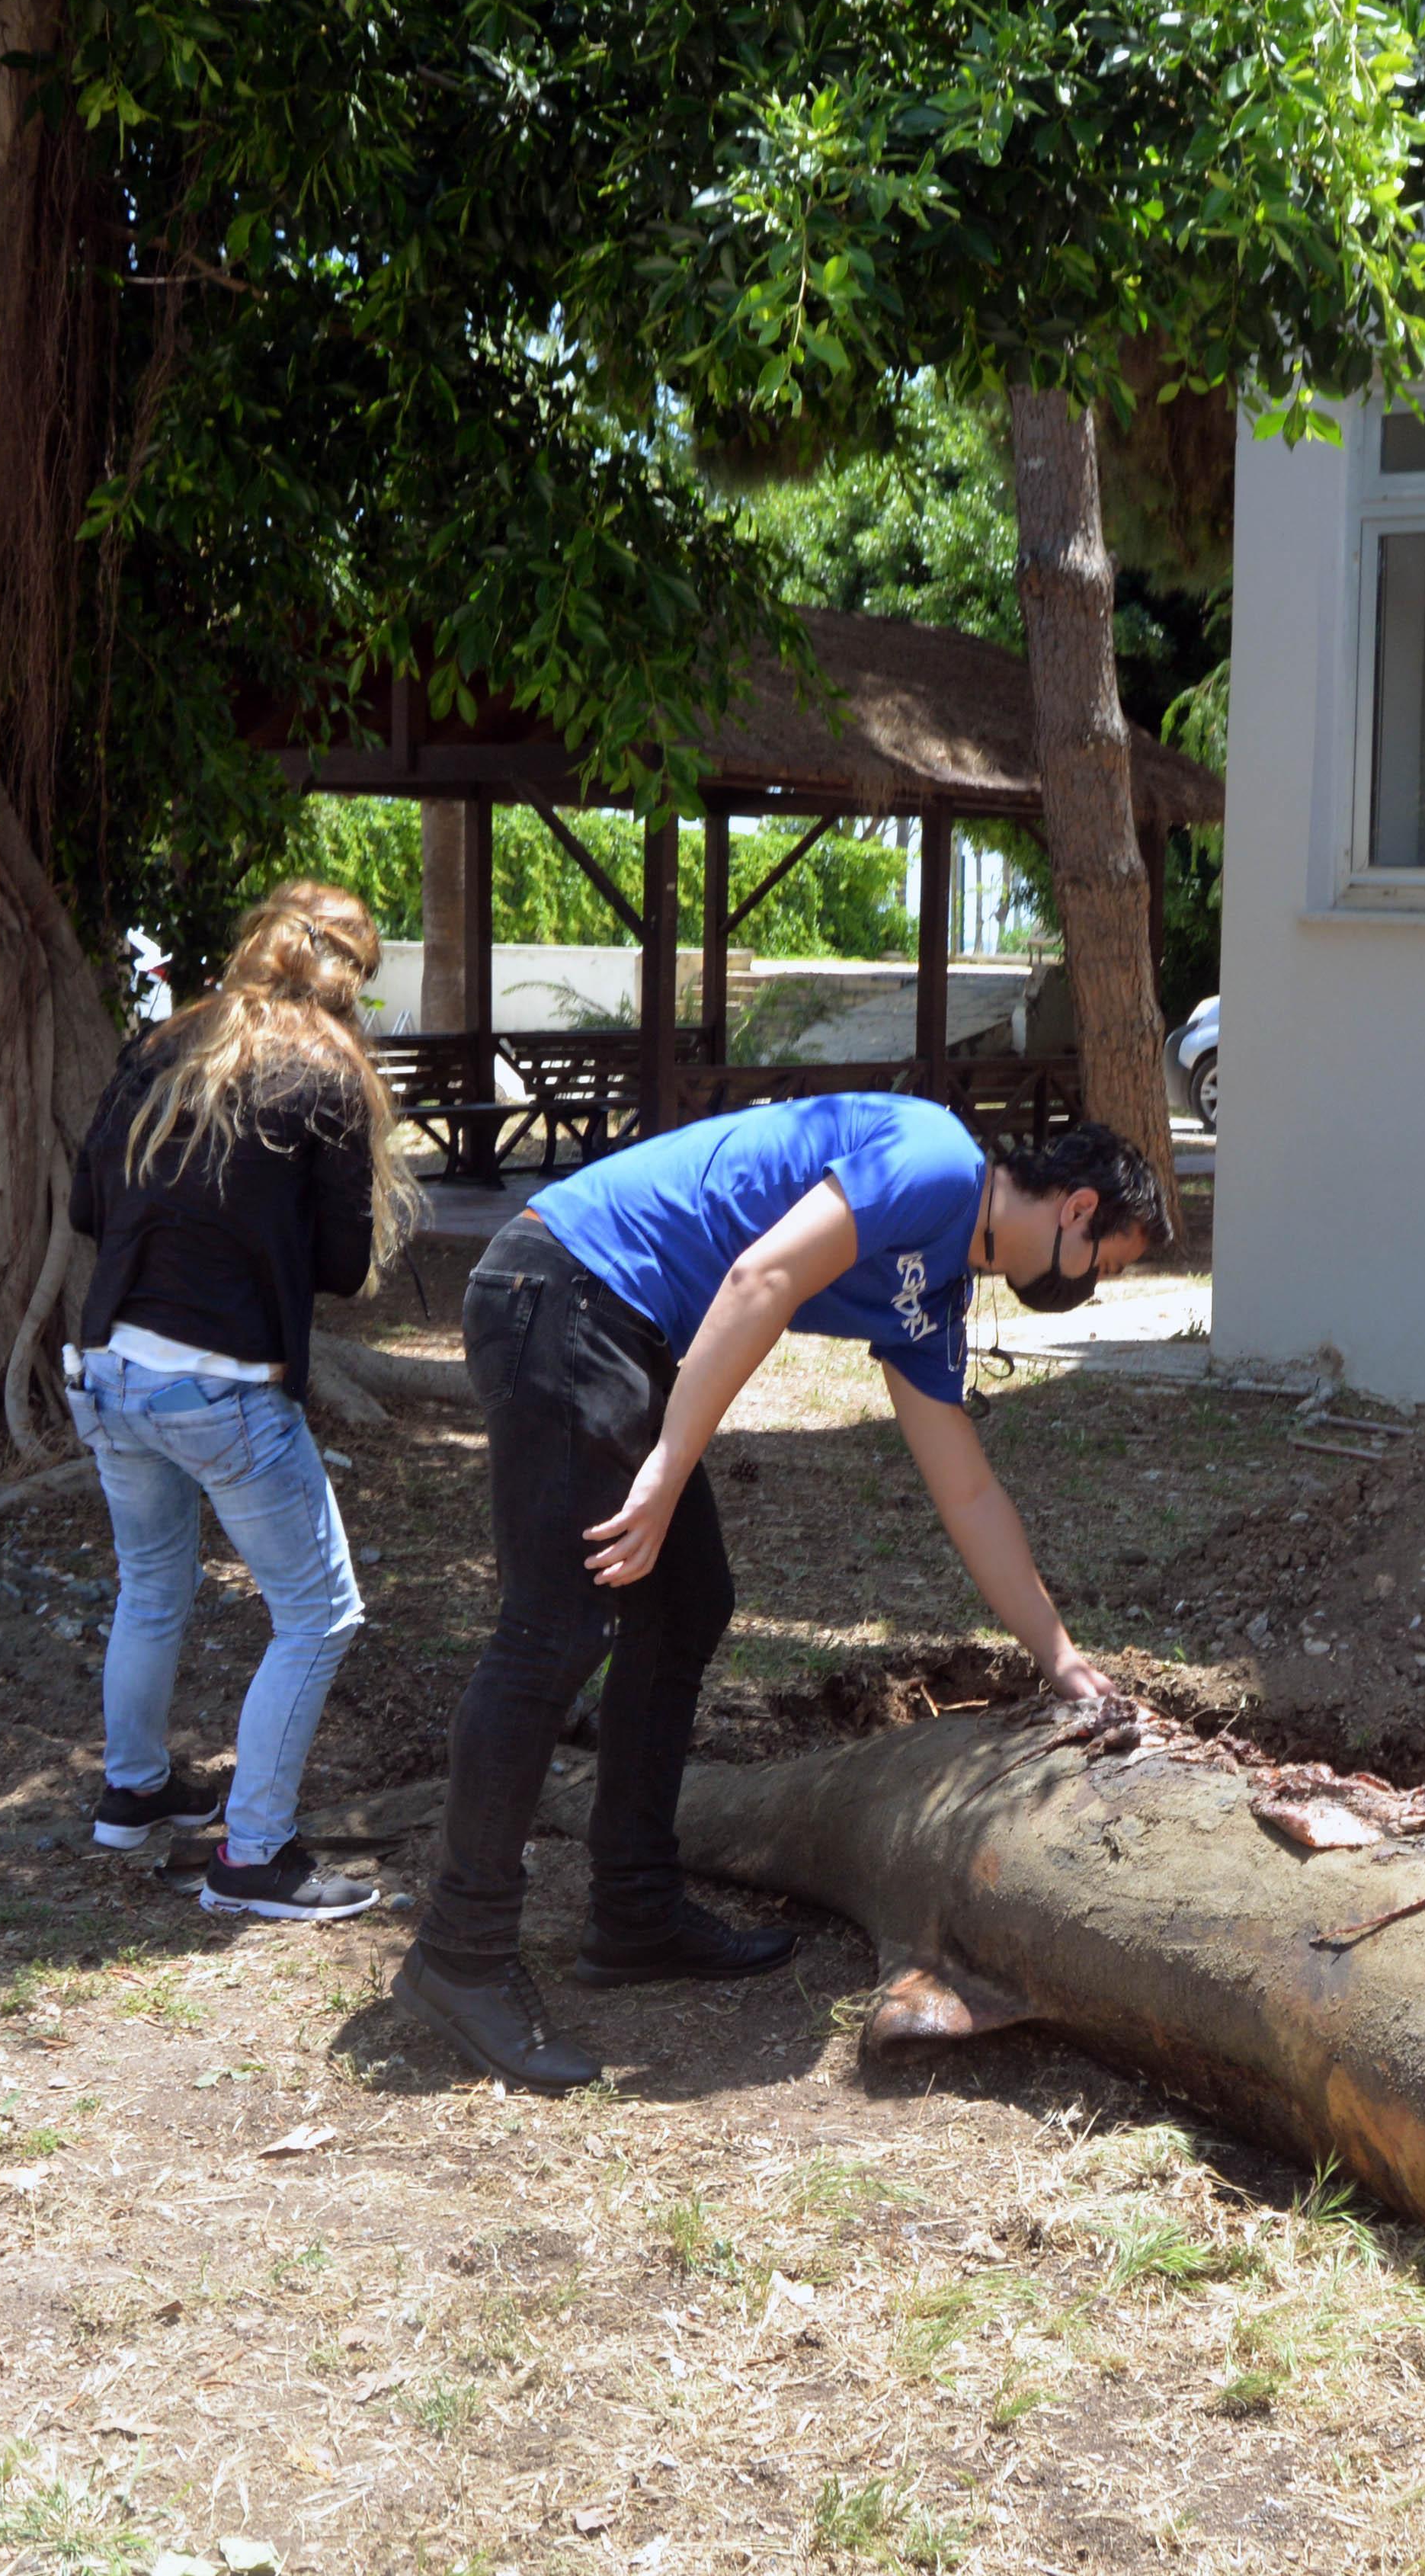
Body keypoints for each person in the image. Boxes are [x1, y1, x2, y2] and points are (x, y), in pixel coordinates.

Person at [397, 1093, 1164, 2091]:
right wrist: (669, 1470)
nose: (1095, 1288)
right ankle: (459, 1955)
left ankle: (631, 1908)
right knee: (558, 1625)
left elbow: (967, 1488)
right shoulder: (936, 1159)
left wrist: (1059, 1659)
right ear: (1077, 1208)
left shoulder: (931, 1296)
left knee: (685, 1604)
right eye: (1108, 1263)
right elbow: (764, 1274)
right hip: (564, 1290)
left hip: (615, 1327)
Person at [61, 877, 421, 1924]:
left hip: (107, 1371)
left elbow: (89, 1203)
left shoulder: (160, 1045)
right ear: (352, 979)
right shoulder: (329, 1072)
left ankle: (133, 1794)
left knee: (152, 1583)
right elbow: (347, 1265)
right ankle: (253, 1857)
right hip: (218, 1387)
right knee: (320, 1613)